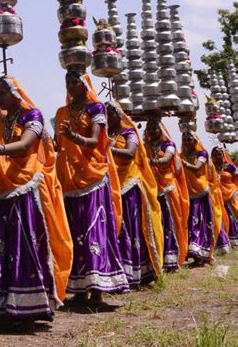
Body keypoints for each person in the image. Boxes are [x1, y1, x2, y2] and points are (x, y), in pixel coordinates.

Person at [0, 75, 73, 324]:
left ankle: (28, 306)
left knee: (25, 244)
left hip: (25, 187)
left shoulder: (33, 116)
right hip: (0, 188)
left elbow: (25, 145)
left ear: (16, 92)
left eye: (2, 91)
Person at [54, 71, 129, 305]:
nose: (70, 85)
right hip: (68, 178)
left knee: (93, 230)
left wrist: (73, 136)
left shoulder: (96, 109)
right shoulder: (61, 113)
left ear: (85, 84)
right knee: (73, 232)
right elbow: (59, 144)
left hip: (93, 177)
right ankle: (78, 290)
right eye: (67, 81)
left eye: (75, 81)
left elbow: (95, 141)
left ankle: (97, 289)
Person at [106, 102, 163, 286]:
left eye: (110, 113)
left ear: (118, 115)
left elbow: (130, 153)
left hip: (129, 184)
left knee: (132, 227)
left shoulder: (130, 133)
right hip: (112, 183)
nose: (106, 117)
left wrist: (108, 148)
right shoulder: (105, 134)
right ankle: (119, 271)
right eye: (104, 114)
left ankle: (139, 272)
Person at [144, 119, 189, 272]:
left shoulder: (168, 145)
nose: (151, 130)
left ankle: (173, 259)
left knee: (171, 222)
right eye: (149, 127)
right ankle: (159, 258)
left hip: (168, 187)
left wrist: (150, 161)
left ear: (161, 130)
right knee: (157, 223)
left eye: (154, 128)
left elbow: (166, 159)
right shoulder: (145, 147)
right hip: (152, 188)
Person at [180, 131, 223, 265]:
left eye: (189, 140)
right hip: (187, 193)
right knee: (189, 223)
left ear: (195, 141)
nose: (187, 142)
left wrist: (183, 163)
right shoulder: (180, 155)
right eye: (184, 140)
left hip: (200, 193)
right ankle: (195, 255)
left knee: (200, 224)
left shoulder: (202, 154)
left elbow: (197, 168)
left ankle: (201, 255)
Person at [211, 146, 237, 250]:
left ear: (223, 155)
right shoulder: (211, 167)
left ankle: (234, 240)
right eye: (215, 155)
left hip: (231, 195)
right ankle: (224, 240)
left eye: (219, 154)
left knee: (233, 216)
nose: (218, 157)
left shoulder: (229, 167)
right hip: (217, 197)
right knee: (222, 218)